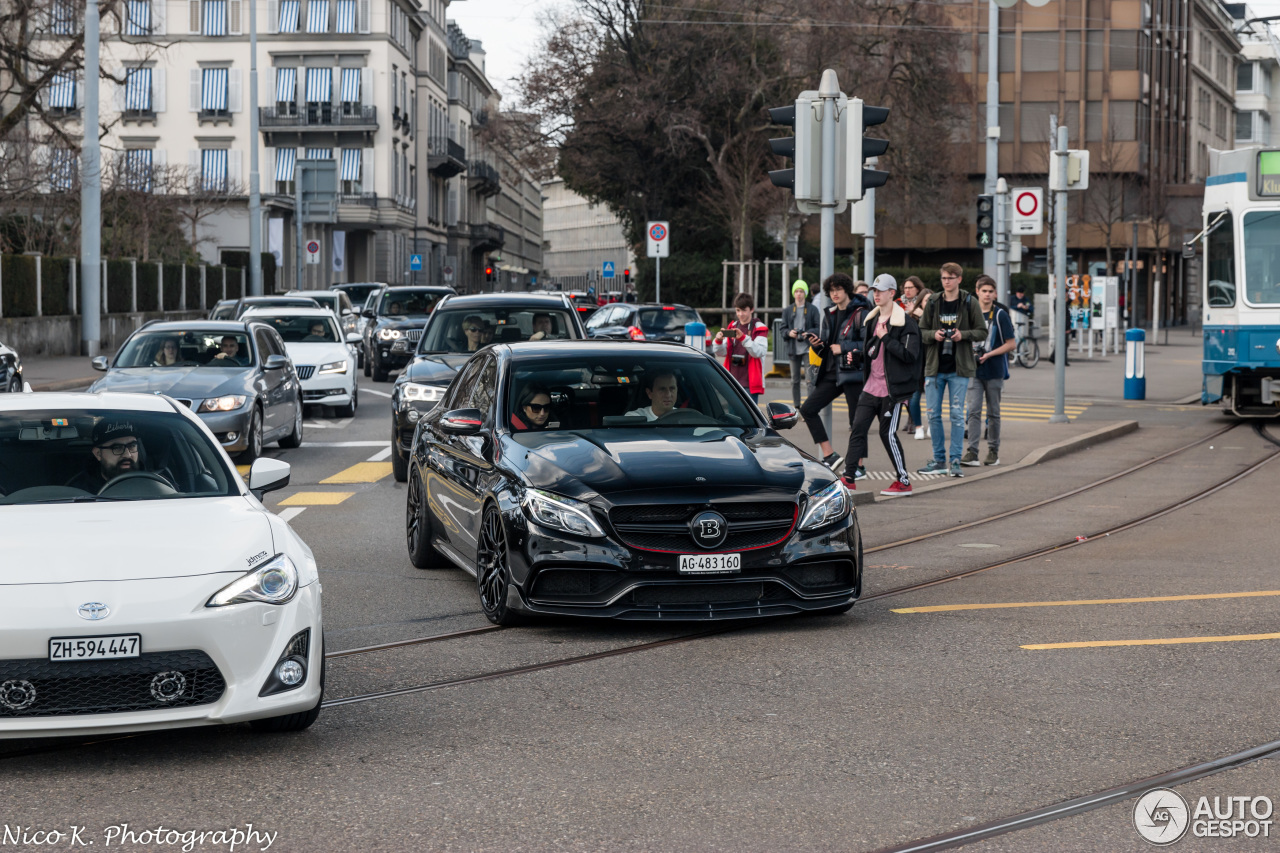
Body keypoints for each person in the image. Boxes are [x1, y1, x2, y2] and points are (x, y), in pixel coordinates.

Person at [847, 275, 921, 496]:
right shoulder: (871, 320)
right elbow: (873, 353)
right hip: (871, 387)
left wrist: (887, 337)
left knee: (887, 434)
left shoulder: (906, 323)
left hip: (893, 390)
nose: (875, 294)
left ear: (892, 293)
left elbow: (910, 355)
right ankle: (848, 478)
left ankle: (904, 480)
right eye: (873, 291)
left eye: (880, 290)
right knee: (857, 428)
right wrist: (858, 358)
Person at [798, 273, 874, 473]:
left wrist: (844, 347)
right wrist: (817, 345)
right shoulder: (830, 314)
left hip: (852, 371)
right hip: (831, 372)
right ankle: (829, 455)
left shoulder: (860, 313)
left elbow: (869, 344)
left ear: (847, 290)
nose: (835, 293)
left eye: (838, 289)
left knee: (856, 420)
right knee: (807, 409)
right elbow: (827, 347)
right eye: (831, 290)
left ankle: (858, 466)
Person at [917, 262, 987, 478]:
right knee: (933, 415)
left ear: (959, 279)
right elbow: (921, 330)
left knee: (957, 415)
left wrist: (962, 335)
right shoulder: (934, 302)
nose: (946, 281)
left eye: (950, 277)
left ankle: (955, 460)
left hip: (959, 367)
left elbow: (982, 331)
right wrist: (933, 336)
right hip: (935, 366)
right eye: (944, 278)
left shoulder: (969, 302)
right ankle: (939, 460)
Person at [961, 275, 1017, 467]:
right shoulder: (969, 313)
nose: (987, 295)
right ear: (977, 292)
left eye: (990, 292)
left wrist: (990, 354)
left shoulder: (1000, 314)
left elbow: (1011, 344)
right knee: (973, 411)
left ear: (995, 294)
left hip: (994, 369)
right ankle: (972, 452)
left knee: (993, 412)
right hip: (974, 370)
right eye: (983, 291)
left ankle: (993, 451)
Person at [65, 420, 166, 494]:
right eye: (117, 448)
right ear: (98, 454)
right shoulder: (79, 493)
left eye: (132, 446)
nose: (127, 454)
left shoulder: (158, 484)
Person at [712, 292, 769, 401]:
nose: (740, 314)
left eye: (744, 310)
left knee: (749, 417)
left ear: (751, 309)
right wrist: (718, 341)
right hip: (732, 380)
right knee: (733, 416)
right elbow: (722, 352)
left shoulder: (760, 328)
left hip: (749, 383)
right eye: (738, 310)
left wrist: (743, 338)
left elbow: (758, 352)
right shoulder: (733, 326)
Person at [782, 279, 821, 407]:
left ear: (805, 293)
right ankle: (797, 406)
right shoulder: (788, 310)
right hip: (793, 350)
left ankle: (809, 407)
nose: (799, 294)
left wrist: (808, 333)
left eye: (801, 291)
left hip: (808, 349)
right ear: (793, 293)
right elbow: (782, 329)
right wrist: (789, 333)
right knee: (795, 380)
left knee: (810, 380)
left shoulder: (812, 309)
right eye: (796, 291)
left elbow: (818, 327)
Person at [900, 277, 931, 438]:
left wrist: (920, 314)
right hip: (915, 358)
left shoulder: (930, 313)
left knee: (931, 395)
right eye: (905, 287)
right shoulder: (902, 306)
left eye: (911, 288)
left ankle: (928, 423)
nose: (907, 291)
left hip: (931, 359)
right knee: (913, 393)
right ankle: (914, 421)